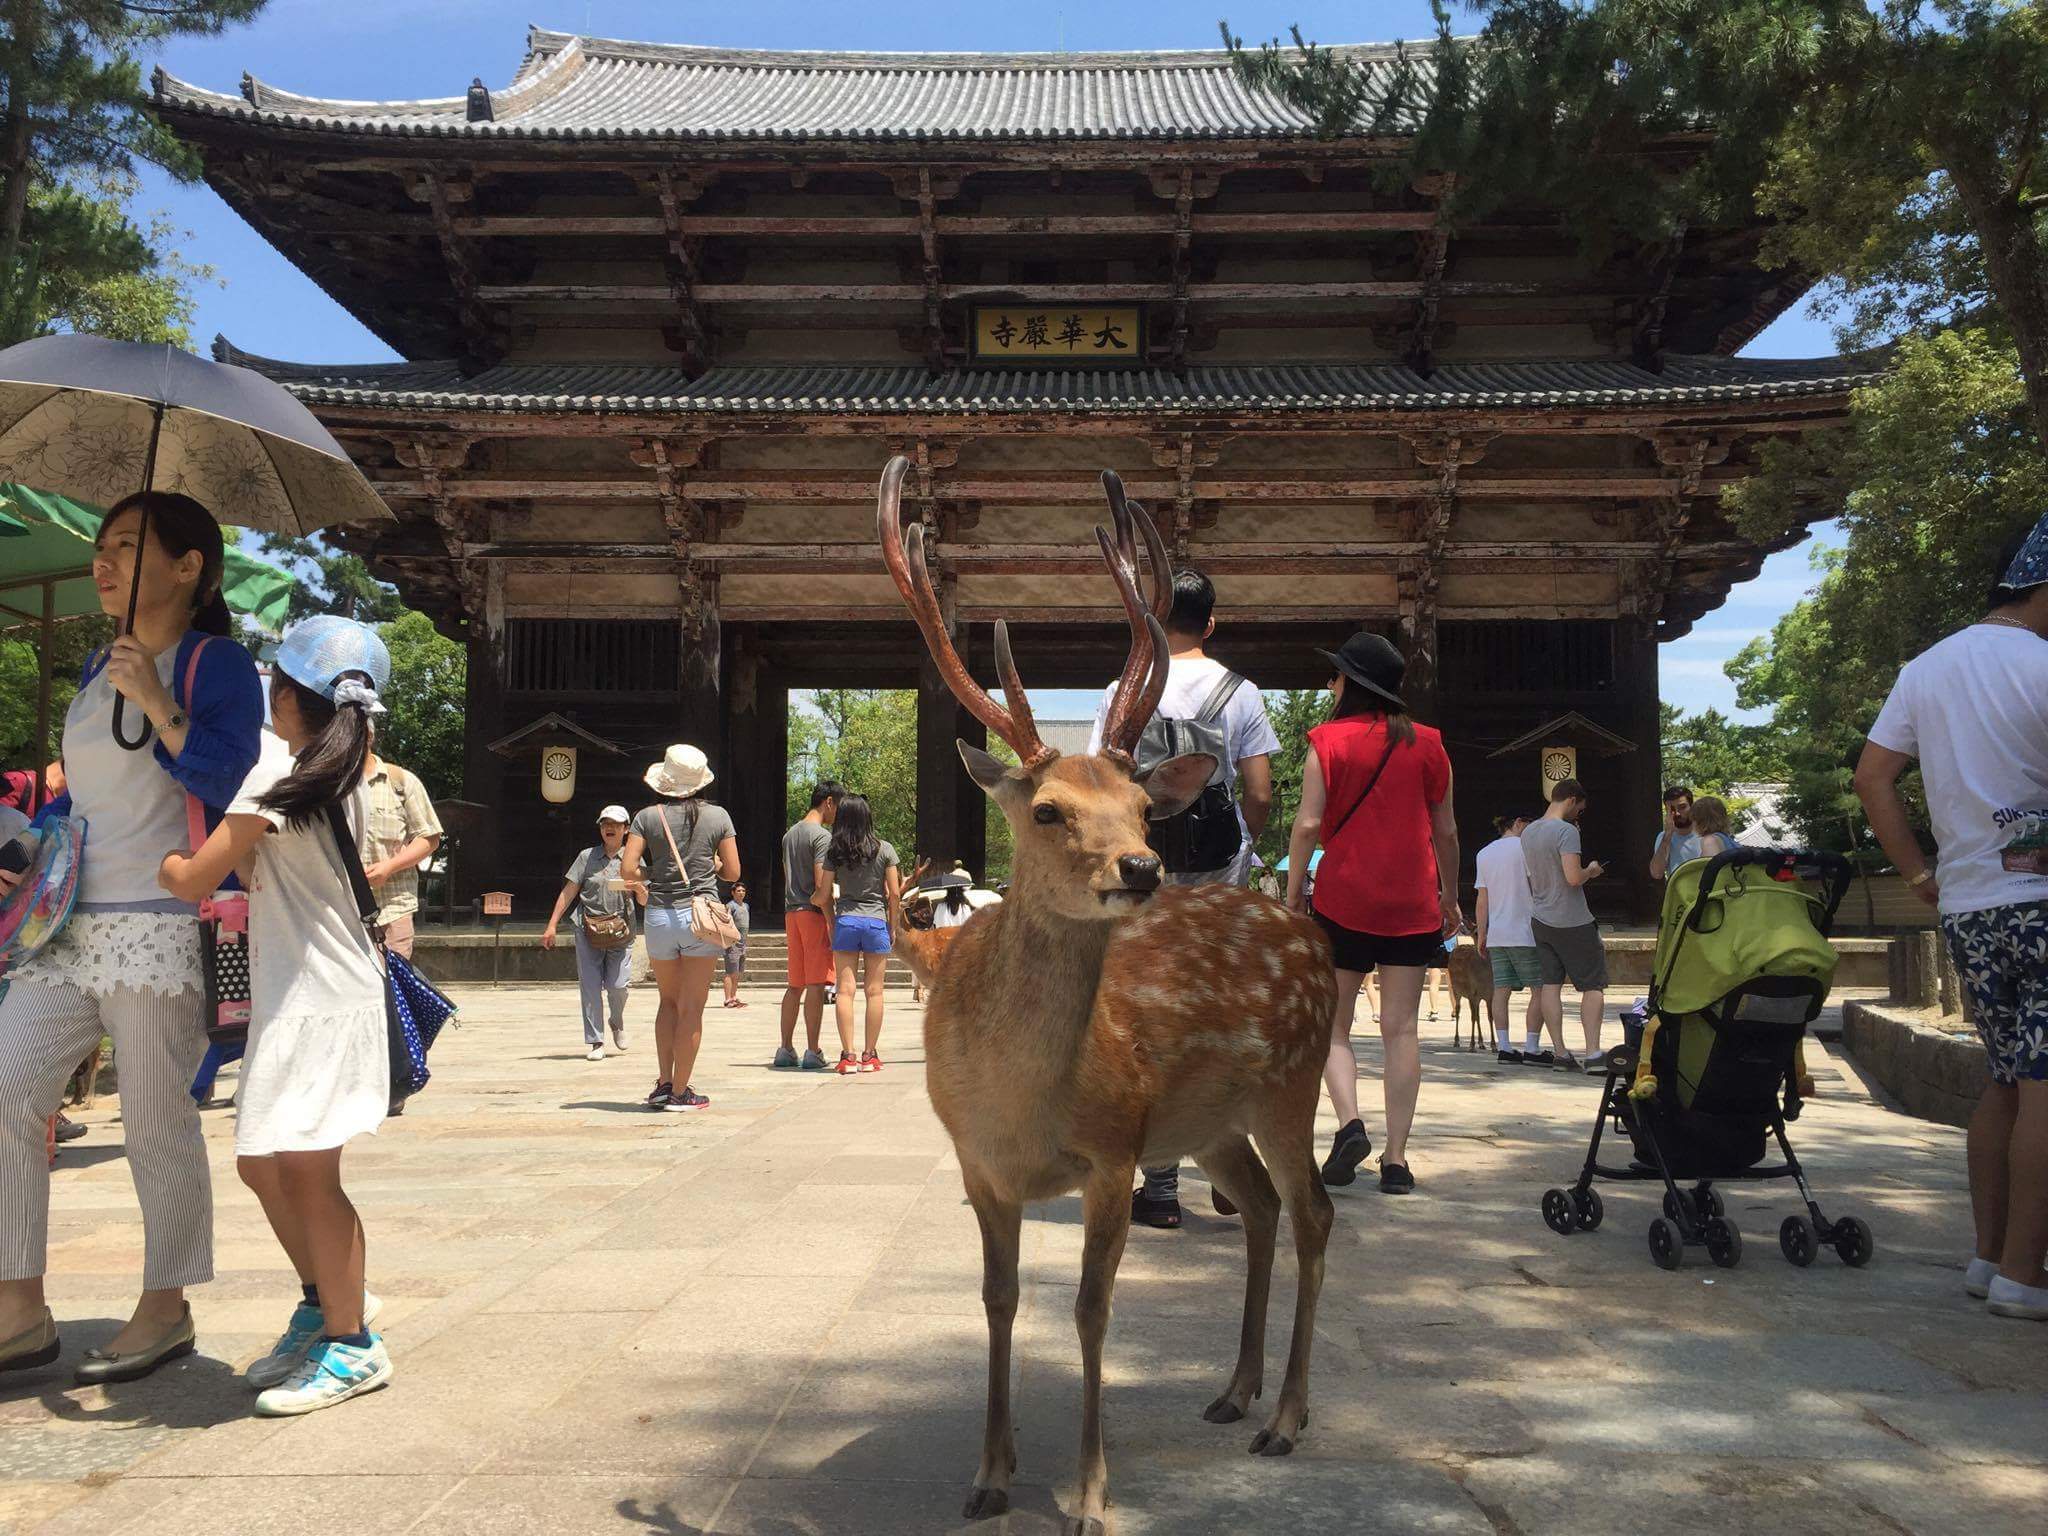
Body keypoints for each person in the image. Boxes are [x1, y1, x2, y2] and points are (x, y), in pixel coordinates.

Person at [0, 492, 262, 1382]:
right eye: (99, 544)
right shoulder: (90, 664)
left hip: (162, 925)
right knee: (5, 1088)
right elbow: (82, 796)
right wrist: (31, 841)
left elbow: (229, 780)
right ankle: (18, 1306)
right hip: (69, 923)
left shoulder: (216, 664)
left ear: (189, 567)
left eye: (125, 545)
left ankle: (166, 1305)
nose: (101, 561)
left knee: (155, 1119)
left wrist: (154, 698)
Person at [158, 616, 395, 1414]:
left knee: (305, 1169)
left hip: (317, 1001)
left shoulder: (278, 782)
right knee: (263, 1161)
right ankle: (322, 1301)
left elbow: (193, 877)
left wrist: (162, 858)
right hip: (310, 993)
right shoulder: (342, 776)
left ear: (289, 698)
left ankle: (353, 1340)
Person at [1855, 518, 2048, 1323]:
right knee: (2044, 1091)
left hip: (1969, 905)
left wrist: (1918, 873)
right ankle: (2025, 1277)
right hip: (2041, 904)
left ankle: (1988, 1255)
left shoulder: (1926, 668)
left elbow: (1874, 778)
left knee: (2004, 1082)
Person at [1089, 567, 1280, 1228]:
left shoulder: (1123, 691)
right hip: (1222, 866)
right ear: (1213, 623)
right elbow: (1259, 789)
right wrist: (1243, 847)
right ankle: (1234, 1164)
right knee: (1227, 1011)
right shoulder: (1242, 691)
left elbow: (1102, 785)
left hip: (1147, 872)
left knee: (1151, 1014)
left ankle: (1162, 1185)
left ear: (1153, 617)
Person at [1286, 631, 1457, 1196]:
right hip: (1413, 901)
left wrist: (1292, 894)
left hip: (1344, 898)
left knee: (1333, 1026)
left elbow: (1308, 824)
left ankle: (1350, 1124)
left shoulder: (1326, 741)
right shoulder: (1430, 743)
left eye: (1335, 676)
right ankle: (1397, 1159)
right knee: (1401, 1028)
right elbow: (1446, 830)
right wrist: (1450, 897)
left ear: (1351, 684)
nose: (1330, 684)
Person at [621, 745, 738, 1113]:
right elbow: (733, 873)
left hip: (658, 915)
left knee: (668, 1002)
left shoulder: (646, 817)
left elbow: (628, 870)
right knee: (693, 1007)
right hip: (699, 916)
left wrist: (654, 873)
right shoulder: (717, 816)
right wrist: (713, 864)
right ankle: (682, 1091)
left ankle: (663, 1082)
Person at [540, 805, 642, 1060]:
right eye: (605, 824)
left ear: (626, 829)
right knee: (590, 986)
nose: (610, 828)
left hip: (622, 929)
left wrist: (638, 887)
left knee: (619, 986)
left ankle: (616, 1021)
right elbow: (569, 891)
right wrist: (552, 924)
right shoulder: (587, 857)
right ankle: (596, 1041)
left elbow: (645, 900)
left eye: (616, 825)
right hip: (588, 927)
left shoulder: (634, 859)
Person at [1522, 779, 1609, 1073]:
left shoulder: (1529, 831)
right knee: (1593, 985)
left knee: (1550, 985)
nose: (1579, 815)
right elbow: (1573, 878)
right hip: (1572, 919)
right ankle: (1594, 1052)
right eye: (1579, 809)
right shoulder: (1566, 831)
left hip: (1540, 916)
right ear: (1572, 800)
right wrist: (1592, 870)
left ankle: (1560, 1052)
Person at [816, 794, 900, 1075]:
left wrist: (826, 915)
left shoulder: (833, 851)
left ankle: (847, 1056)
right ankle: (870, 1055)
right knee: (875, 992)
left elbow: (824, 894)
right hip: (876, 921)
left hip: (847, 921)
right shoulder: (884, 849)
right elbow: (895, 893)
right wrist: (892, 924)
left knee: (845, 991)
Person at [354, 732, 442, 961]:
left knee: (392, 987)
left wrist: (389, 867)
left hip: (392, 907)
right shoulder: (328, 784)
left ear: (369, 736)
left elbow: (429, 838)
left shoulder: (401, 781)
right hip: (341, 909)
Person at [1474, 812, 1552, 1064]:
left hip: (1498, 933)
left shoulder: (1484, 854)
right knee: (1539, 989)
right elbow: (1537, 887)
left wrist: (1482, 933)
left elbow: (1482, 898)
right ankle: (1532, 1046)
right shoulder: (1526, 849)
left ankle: (1505, 1046)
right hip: (1525, 931)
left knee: (1501, 990)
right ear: (1518, 823)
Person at [775, 781, 842, 1071]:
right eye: (838, 806)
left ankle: (785, 1047)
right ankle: (813, 1050)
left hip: (791, 913)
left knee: (794, 985)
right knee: (816, 985)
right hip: (813, 913)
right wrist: (830, 919)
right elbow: (820, 885)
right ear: (828, 802)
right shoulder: (822, 837)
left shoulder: (790, 834)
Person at [1648, 784, 1703, 882]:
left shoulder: (1706, 833)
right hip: (1680, 895)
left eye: (1682, 807)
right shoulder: (1663, 837)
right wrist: (1668, 835)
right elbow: (1656, 874)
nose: (1677, 813)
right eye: (1672, 809)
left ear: (1692, 807)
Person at [721, 881, 751, 1008]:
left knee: (738, 972)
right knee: (730, 972)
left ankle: (733, 996)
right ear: (733, 893)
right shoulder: (730, 906)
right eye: (738, 891)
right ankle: (728, 999)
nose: (741, 893)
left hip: (742, 944)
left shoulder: (746, 906)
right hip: (732, 943)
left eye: (743, 891)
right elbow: (726, 922)